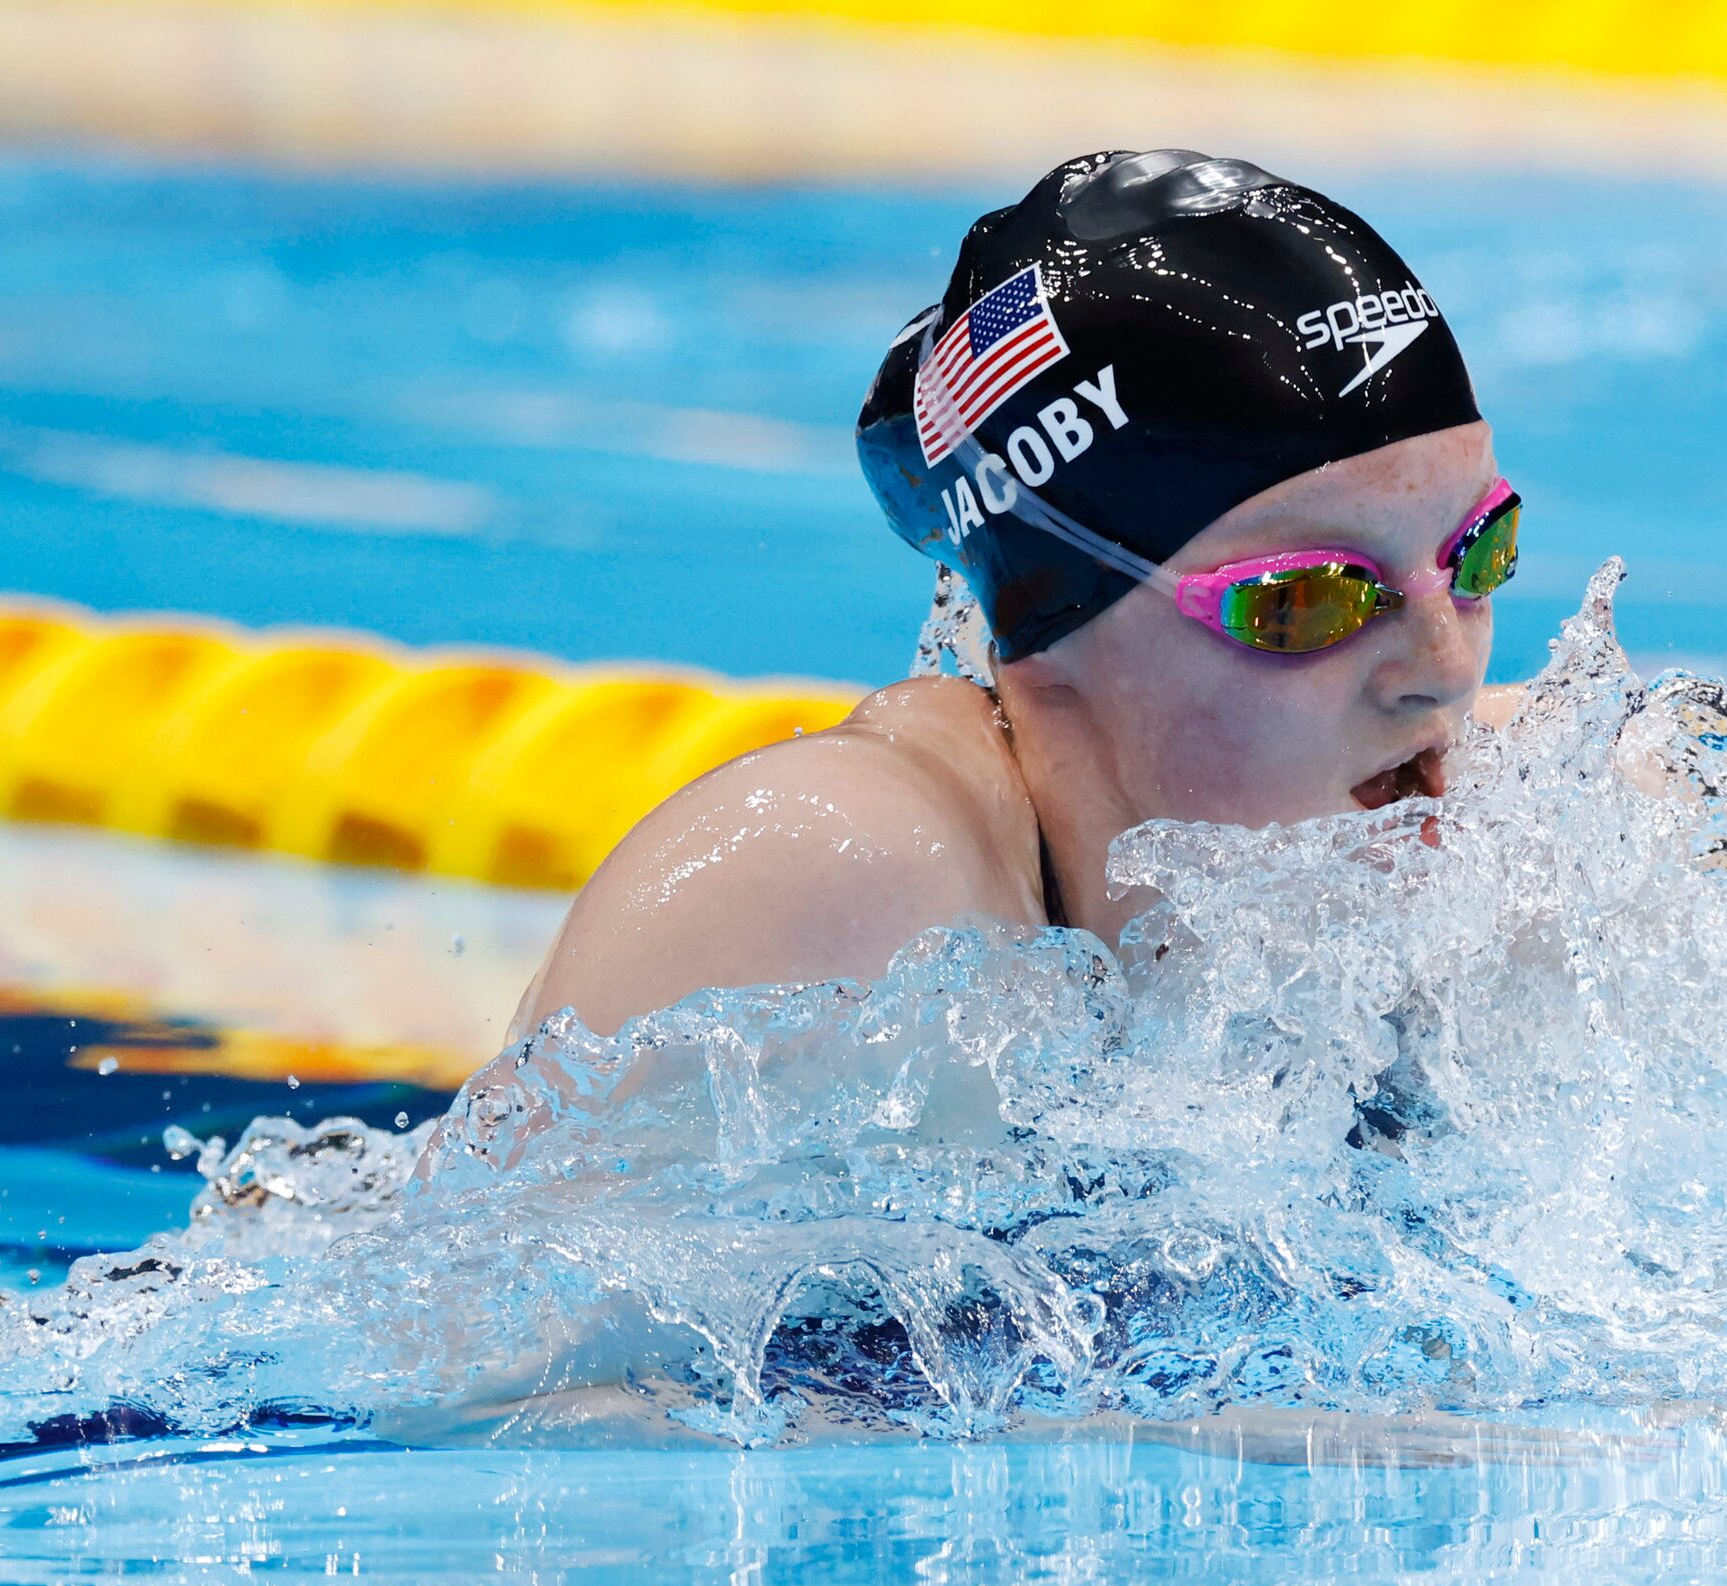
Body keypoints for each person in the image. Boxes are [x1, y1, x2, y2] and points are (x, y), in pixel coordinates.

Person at [519, 150, 1525, 1035]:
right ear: (1062, 621)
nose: (1443, 671)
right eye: (1308, 602)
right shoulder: (831, 888)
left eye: (1477, 552)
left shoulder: (1543, 840)